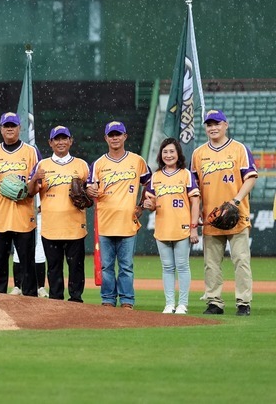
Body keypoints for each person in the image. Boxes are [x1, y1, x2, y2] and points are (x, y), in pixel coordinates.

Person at [191, 110, 257, 316]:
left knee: (241, 261)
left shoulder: (239, 149)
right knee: (211, 264)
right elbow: (194, 188)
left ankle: (243, 303)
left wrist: (235, 201)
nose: (213, 127)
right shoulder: (198, 153)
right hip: (211, 217)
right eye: (209, 124)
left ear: (225, 125)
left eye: (217, 123)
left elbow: (251, 178)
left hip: (237, 214)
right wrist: (198, 211)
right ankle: (214, 302)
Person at [86, 121, 151, 309]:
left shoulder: (137, 161)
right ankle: (107, 299)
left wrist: (141, 206)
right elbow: (90, 187)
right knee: (106, 267)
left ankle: (127, 301)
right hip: (105, 222)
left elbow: (150, 183)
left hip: (127, 222)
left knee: (126, 267)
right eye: (111, 135)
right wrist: (90, 190)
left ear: (125, 136)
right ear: (106, 138)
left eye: (118, 134)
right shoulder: (99, 163)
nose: (115, 138)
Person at [27, 126, 90, 302]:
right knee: (54, 267)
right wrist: (34, 179)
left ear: (70, 141)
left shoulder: (82, 165)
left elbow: (91, 192)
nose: (61, 142)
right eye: (57, 139)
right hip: (51, 226)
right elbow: (30, 192)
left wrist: (89, 193)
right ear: (50, 143)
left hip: (75, 225)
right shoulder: (42, 165)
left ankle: (76, 299)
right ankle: (56, 300)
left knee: (76, 266)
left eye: (64, 138)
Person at [0, 112, 41, 296]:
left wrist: (26, 190)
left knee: (27, 260)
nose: (9, 129)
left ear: (19, 128)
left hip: (23, 215)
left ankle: (30, 295)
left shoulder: (31, 152)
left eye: (13, 126)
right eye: (6, 126)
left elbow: (37, 185)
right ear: (1, 129)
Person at [143, 137, 199, 315]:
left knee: (182, 266)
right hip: (162, 228)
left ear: (178, 154)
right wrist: (149, 205)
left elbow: (195, 202)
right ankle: (169, 303)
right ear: (161, 155)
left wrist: (193, 227)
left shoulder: (186, 174)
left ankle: (182, 304)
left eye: (172, 151)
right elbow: (150, 203)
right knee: (167, 267)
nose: (168, 155)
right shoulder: (156, 177)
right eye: (165, 152)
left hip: (182, 227)